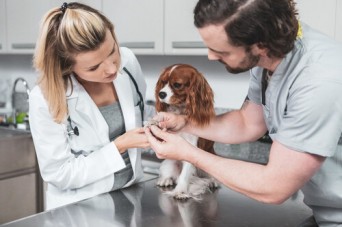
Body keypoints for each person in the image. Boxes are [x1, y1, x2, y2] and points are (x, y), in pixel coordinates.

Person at [145, 0, 342, 226]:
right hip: (324, 214)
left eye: (220, 50)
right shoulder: (269, 58)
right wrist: (185, 123)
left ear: (260, 45)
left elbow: (274, 187)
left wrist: (188, 152)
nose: (210, 56)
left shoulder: (319, 81)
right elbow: (247, 123)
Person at [29, 2, 149, 210]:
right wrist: (119, 146)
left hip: (130, 196)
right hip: (80, 209)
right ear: (67, 67)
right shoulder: (45, 97)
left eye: (113, 51)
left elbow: (141, 113)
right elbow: (59, 174)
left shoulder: (128, 61)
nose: (112, 69)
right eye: (94, 67)